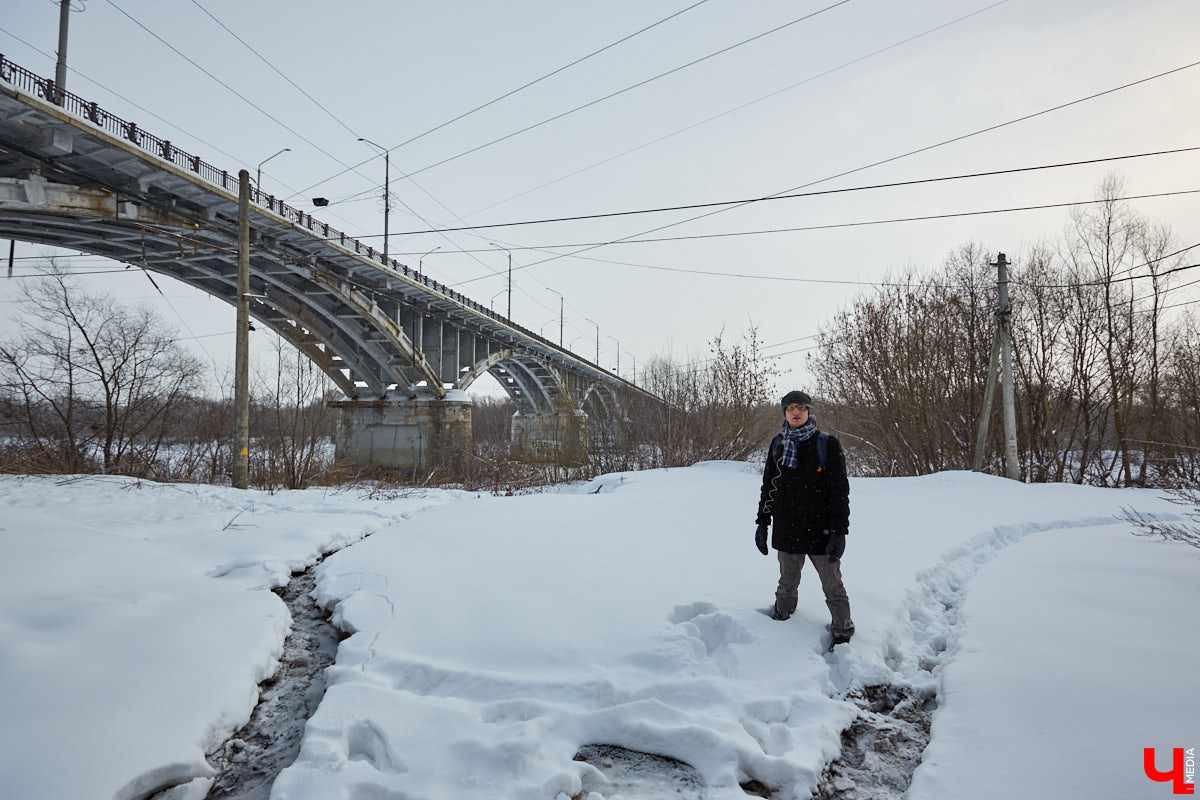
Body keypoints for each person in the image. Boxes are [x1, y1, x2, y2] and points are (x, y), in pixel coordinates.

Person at [754, 390, 854, 649]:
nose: (795, 412)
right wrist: (762, 523)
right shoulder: (779, 444)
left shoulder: (826, 444)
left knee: (833, 586)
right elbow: (769, 487)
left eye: (801, 407)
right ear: (784, 413)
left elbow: (840, 491)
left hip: (821, 530)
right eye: (790, 408)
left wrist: (839, 530)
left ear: (809, 411)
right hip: (787, 528)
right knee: (786, 584)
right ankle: (781, 621)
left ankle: (843, 632)